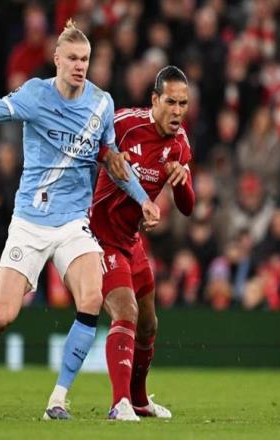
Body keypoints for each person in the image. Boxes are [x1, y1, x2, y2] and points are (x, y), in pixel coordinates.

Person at [0, 19, 160, 420]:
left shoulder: (101, 104)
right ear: (57, 60)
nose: (80, 66)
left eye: (85, 59)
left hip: (73, 222)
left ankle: (57, 400)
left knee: (90, 298)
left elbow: (112, 161)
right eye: (73, 58)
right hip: (30, 222)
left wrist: (143, 200)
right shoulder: (35, 94)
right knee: (1, 318)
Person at [90, 66, 195, 421]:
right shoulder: (124, 124)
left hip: (131, 241)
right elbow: (89, 146)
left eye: (183, 103)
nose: (178, 111)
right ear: (155, 100)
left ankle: (138, 400)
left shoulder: (180, 144)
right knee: (126, 311)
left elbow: (188, 207)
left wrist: (181, 181)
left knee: (149, 325)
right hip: (99, 236)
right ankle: (119, 403)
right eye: (171, 102)